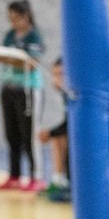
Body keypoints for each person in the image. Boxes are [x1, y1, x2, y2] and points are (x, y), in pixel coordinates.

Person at [0, 0, 45, 192]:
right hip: (9, 88)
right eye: (10, 18)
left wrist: (10, 58)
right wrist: (10, 58)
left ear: (26, 16)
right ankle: (14, 175)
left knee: (29, 134)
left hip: (28, 90)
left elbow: (32, 63)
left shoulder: (34, 36)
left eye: (16, 17)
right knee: (11, 133)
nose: (13, 22)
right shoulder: (10, 35)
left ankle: (36, 176)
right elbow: (1, 56)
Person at [38, 58, 73, 201]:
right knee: (58, 137)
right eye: (54, 74)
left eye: (61, 74)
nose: (56, 79)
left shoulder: (76, 93)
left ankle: (71, 183)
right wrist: (51, 133)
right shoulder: (66, 94)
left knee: (62, 136)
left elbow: (72, 123)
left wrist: (50, 133)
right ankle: (58, 180)